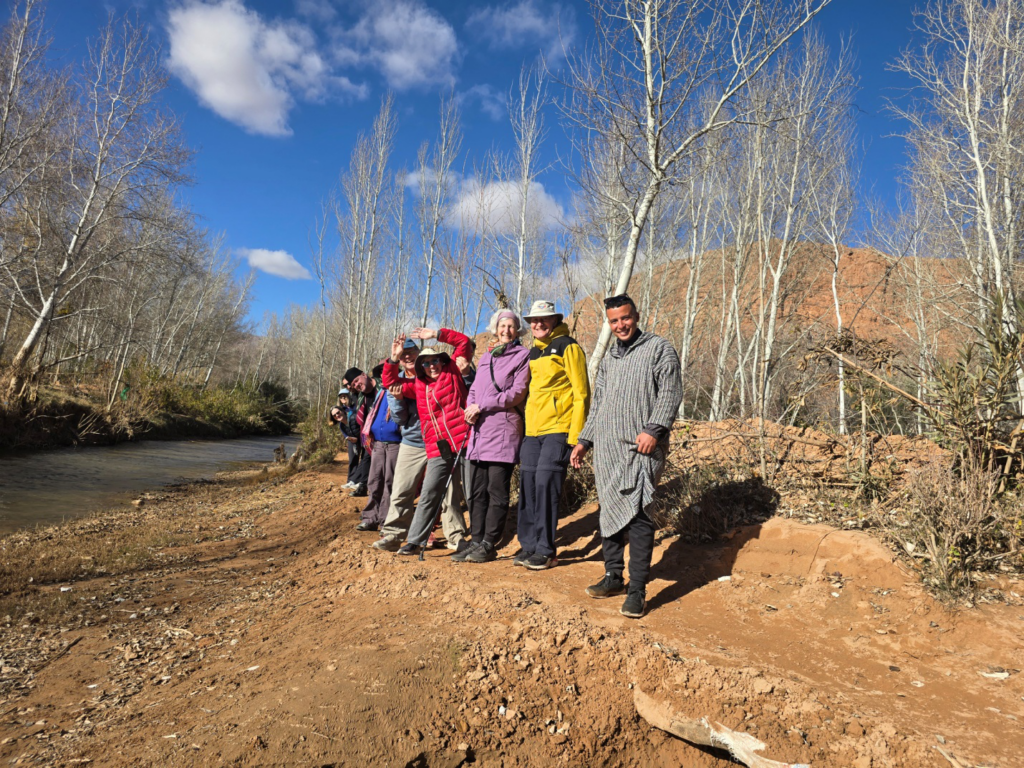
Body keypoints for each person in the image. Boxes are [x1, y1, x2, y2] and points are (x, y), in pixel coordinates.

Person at [571, 294, 682, 619]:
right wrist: (584, 440)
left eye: (625, 317)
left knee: (640, 513)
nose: (620, 325)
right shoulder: (609, 358)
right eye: (614, 320)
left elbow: (671, 392)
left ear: (636, 315)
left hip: (642, 447)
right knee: (609, 510)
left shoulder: (659, 348)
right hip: (607, 449)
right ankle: (613, 577)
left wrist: (654, 429)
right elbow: (599, 403)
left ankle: (637, 591)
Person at [382, 327, 473, 556]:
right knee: (430, 492)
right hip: (437, 446)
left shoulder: (452, 371)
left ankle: (467, 539)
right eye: (426, 363)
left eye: (435, 361)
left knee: (467, 493)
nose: (431, 366)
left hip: (464, 441)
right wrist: (393, 358)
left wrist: (435, 334)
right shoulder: (418, 386)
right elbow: (389, 381)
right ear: (420, 366)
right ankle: (414, 541)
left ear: (442, 361)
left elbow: (463, 342)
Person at [515, 300, 590, 571]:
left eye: (544, 319)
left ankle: (546, 551)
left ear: (555, 320)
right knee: (528, 485)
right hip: (532, 430)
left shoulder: (568, 346)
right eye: (534, 320)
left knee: (546, 484)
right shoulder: (533, 352)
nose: (538, 324)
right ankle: (529, 546)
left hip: (559, 429)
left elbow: (582, 393)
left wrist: (578, 437)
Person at [454, 310, 531, 564]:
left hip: (504, 431)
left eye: (511, 326)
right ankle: (476, 540)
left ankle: (489, 543)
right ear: (496, 328)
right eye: (502, 326)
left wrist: (482, 406)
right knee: (476, 491)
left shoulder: (523, 356)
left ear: (517, 330)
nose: (506, 330)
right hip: (479, 431)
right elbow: (475, 388)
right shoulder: (487, 356)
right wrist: (470, 407)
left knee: (496, 491)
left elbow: (517, 393)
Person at [372, 338, 427, 551]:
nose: (408, 356)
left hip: (439, 440)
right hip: (411, 442)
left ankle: (454, 536)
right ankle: (393, 535)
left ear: (419, 352)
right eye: (403, 354)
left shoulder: (432, 373)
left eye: (411, 351)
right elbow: (400, 420)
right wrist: (397, 400)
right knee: (401, 491)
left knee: (446, 494)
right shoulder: (395, 381)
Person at [356, 369, 403, 532]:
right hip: (378, 443)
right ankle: (370, 518)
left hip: (396, 443)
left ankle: (385, 521)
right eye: (382, 373)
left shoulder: (401, 389)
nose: (384, 376)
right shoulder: (381, 392)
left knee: (390, 482)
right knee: (374, 481)